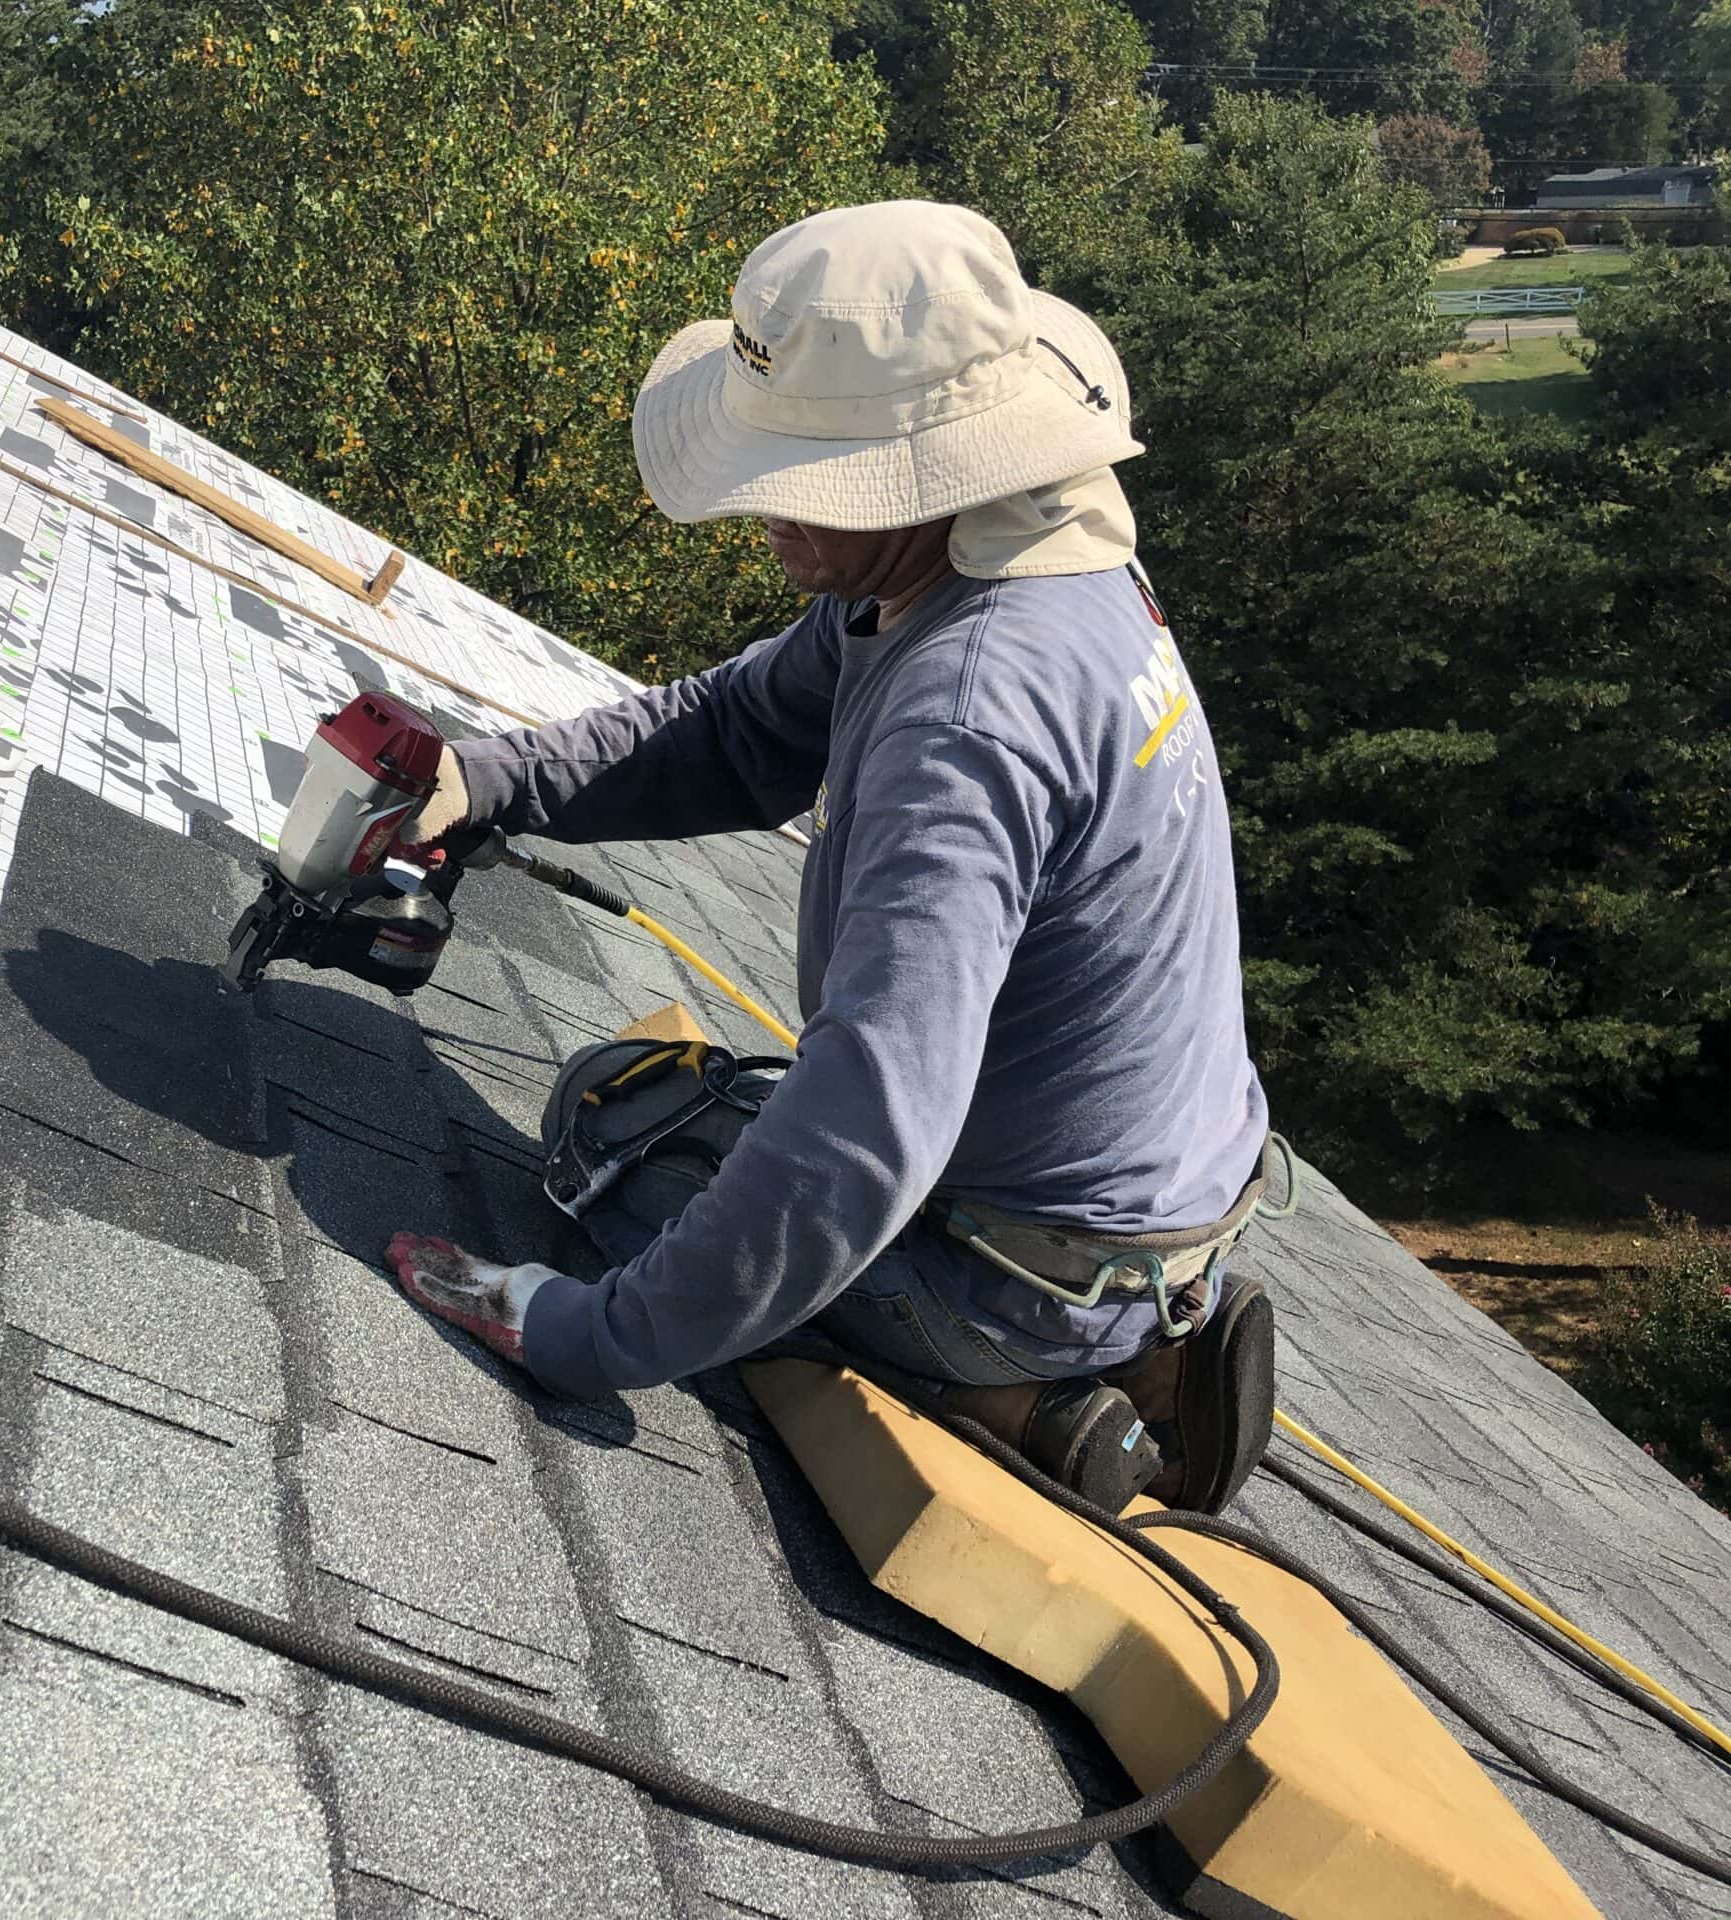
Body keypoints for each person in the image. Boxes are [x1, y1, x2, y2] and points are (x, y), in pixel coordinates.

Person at [383, 201, 1280, 1514]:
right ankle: (1138, 1344)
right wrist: (491, 782)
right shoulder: (1012, 547)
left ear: (918, 468)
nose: (766, 518)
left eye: (799, 478)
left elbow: (867, 1118)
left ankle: (1029, 1399)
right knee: (715, 1139)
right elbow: (742, 729)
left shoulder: (969, 708)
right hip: (1156, 1202)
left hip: (1024, 1257)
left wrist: (583, 1336)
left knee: (618, 1134)